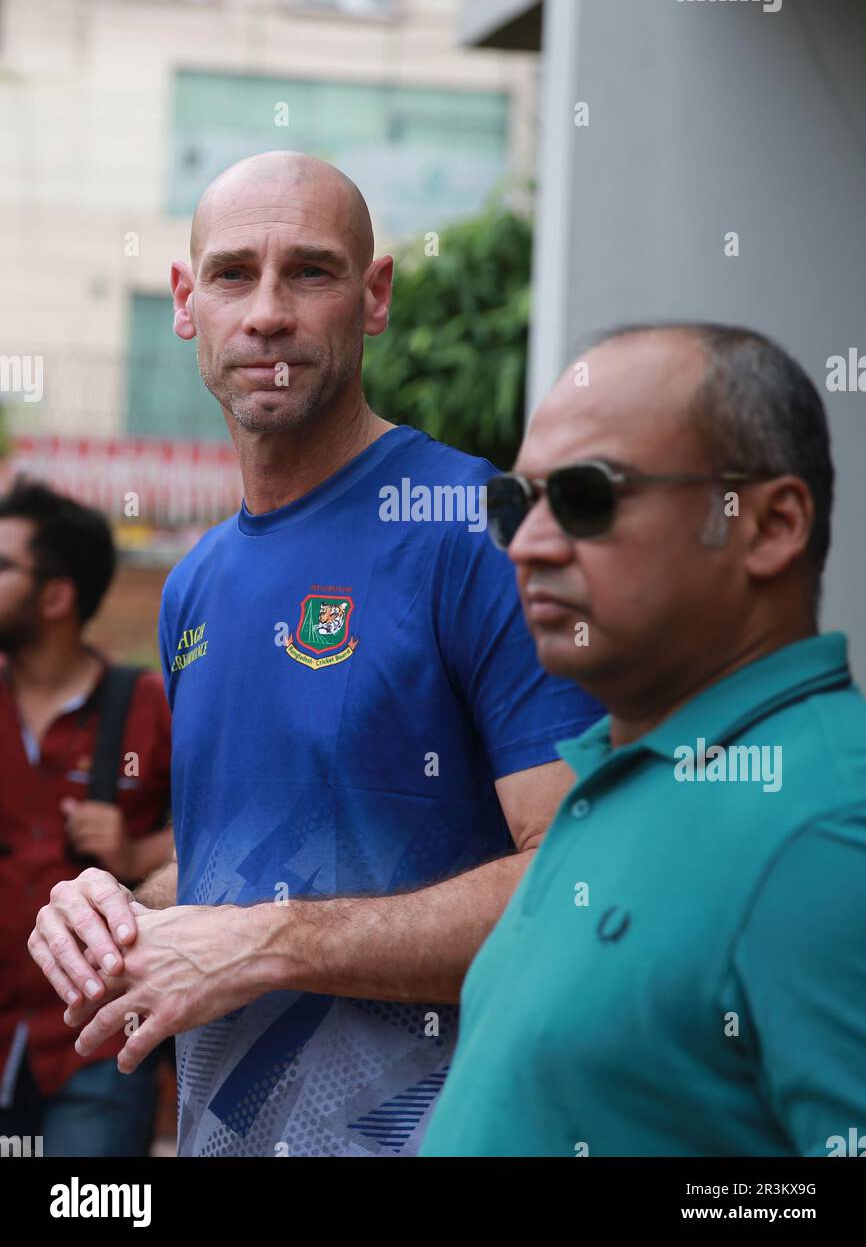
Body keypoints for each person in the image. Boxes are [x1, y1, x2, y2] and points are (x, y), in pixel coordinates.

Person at [28, 152, 603, 1157]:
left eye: (310, 272)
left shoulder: (476, 532)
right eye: (232, 273)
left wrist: (269, 943)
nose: (266, 314)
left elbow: (580, 882)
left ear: (373, 296)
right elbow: (242, 880)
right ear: (184, 301)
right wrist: (117, 910)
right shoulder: (193, 582)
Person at [421, 321, 866, 1157]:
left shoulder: (827, 828)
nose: (531, 546)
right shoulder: (616, 772)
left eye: (589, 497)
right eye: (515, 505)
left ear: (769, 526)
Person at [0, 479, 173, 1155]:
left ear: (56, 596)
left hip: (96, 1047)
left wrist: (135, 856)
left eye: (3, 564)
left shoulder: (147, 707)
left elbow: (222, 827)